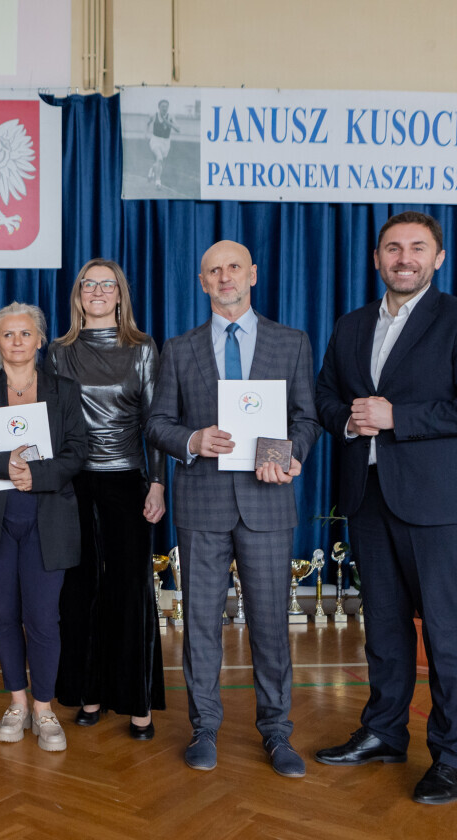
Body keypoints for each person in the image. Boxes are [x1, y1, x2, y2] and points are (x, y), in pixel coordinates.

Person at [314, 211, 457, 805]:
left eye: (417, 248)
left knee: (446, 635)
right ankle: (383, 733)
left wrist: (398, 417)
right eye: (393, 248)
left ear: (437, 259)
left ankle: (451, 756)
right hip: (369, 498)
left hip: (440, 505)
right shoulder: (351, 325)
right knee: (385, 629)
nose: (404, 258)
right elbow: (324, 395)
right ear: (377, 258)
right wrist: (349, 420)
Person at [145, 240, 320, 777]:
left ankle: (277, 732)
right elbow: (157, 424)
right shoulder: (179, 348)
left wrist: (288, 453)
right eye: (214, 270)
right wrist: (193, 440)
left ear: (253, 275)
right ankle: (204, 728)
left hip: (268, 501)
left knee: (271, 624)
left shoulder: (291, 342)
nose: (225, 277)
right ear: (202, 282)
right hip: (202, 505)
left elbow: (307, 418)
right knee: (200, 624)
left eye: (234, 268)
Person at [0, 302, 88, 752]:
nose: (17, 341)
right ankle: (17, 703)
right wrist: (5, 464)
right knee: (5, 616)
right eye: (8, 334)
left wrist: (38, 474)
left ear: (40, 340)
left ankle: (44, 708)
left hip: (47, 517)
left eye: (25, 333)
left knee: (44, 619)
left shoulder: (63, 390)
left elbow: (77, 450)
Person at [47, 259, 168, 738]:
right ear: (78, 294)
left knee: (130, 590)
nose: (97, 291)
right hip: (73, 484)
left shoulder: (142, 348)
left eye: (107, 285)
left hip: (126, 481)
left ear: (120, 295)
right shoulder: (58, 351)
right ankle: (89, 693)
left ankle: (138, 703)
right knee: (80, 592)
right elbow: (48, 421)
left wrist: (157, 483)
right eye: (89, 284)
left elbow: (155, 423)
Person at [146, 99, 180, 189]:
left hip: (166, 142)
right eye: (162, 106)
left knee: (159, 162)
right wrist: (146, 134)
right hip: (155, 140)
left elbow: (178, 129)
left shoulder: (171, 117)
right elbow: (148, 123)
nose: (164, 108)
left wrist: (169, 123)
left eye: (166, 106)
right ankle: (158, 182)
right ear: (159, 107)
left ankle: (152, 170)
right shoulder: (154, 115)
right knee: (159, 158)